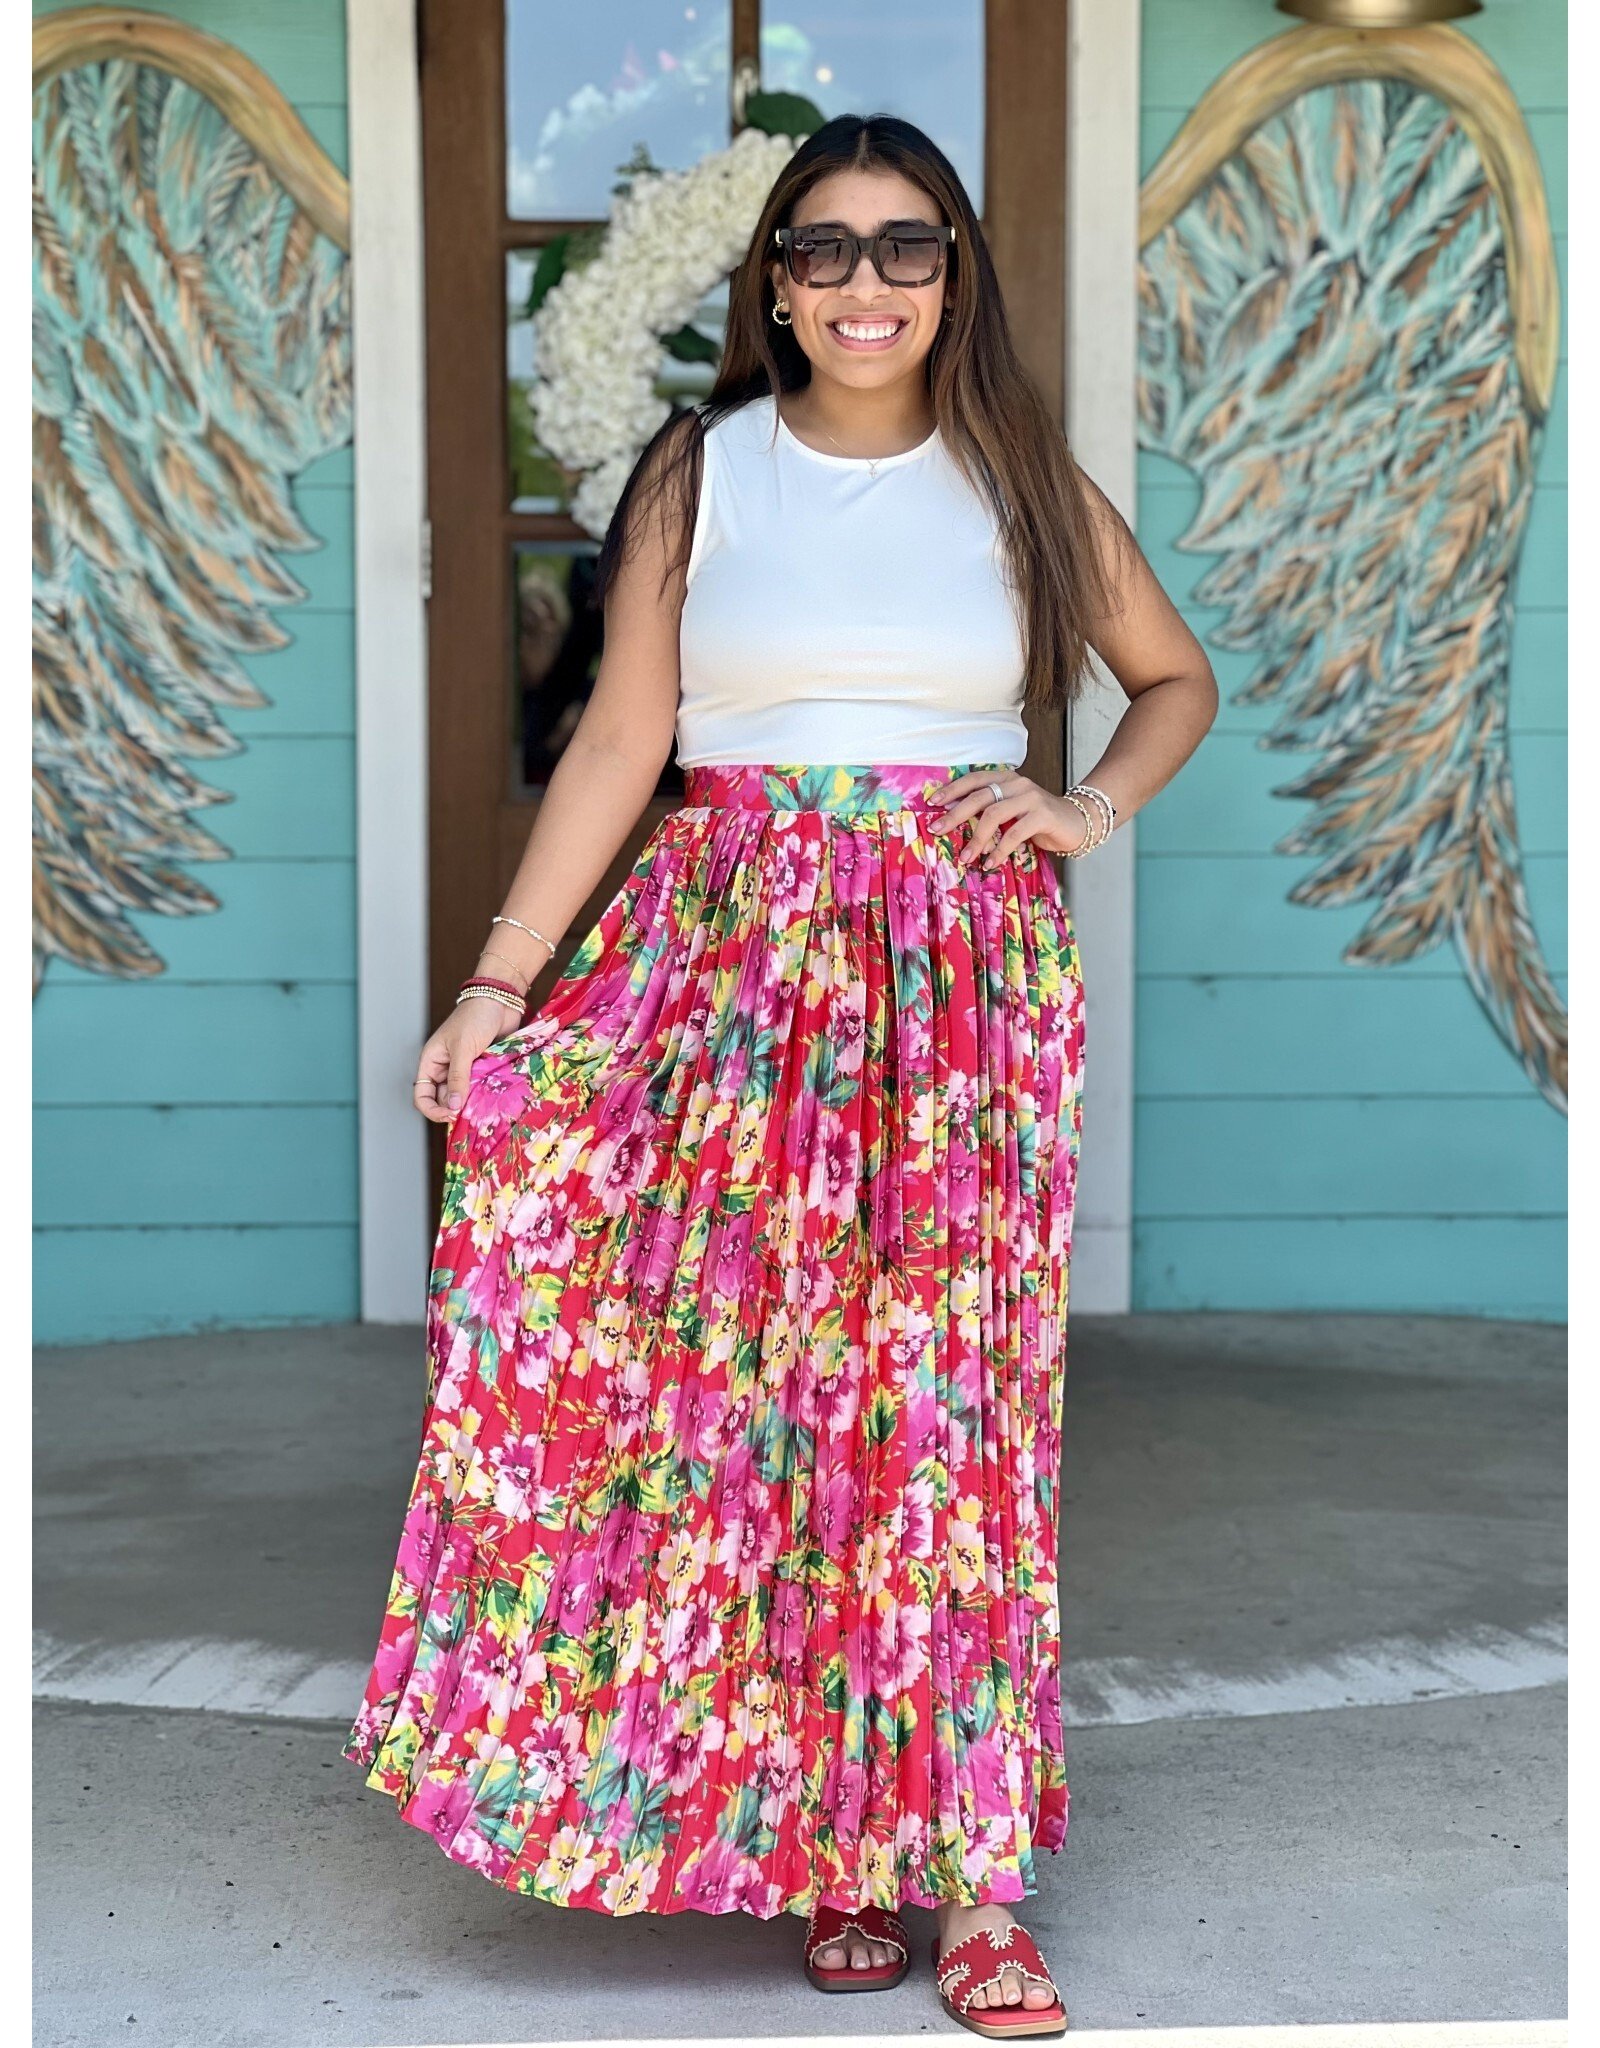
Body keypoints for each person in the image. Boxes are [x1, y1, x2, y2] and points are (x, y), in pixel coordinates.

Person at [342, 112, 1217, 2039]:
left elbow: (1175, 678)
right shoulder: (700, 469)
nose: (865, 285)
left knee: (951, 1420)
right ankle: (831, 1838)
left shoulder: (1017, 483)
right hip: (721, 964)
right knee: (756, 1403)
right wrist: (500, 987)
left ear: (957, 275)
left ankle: (974, 1878)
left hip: (960, 979)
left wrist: (1080, 805)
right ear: (774, 282)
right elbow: (615, 749)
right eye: (822, 250)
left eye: (906, 248)